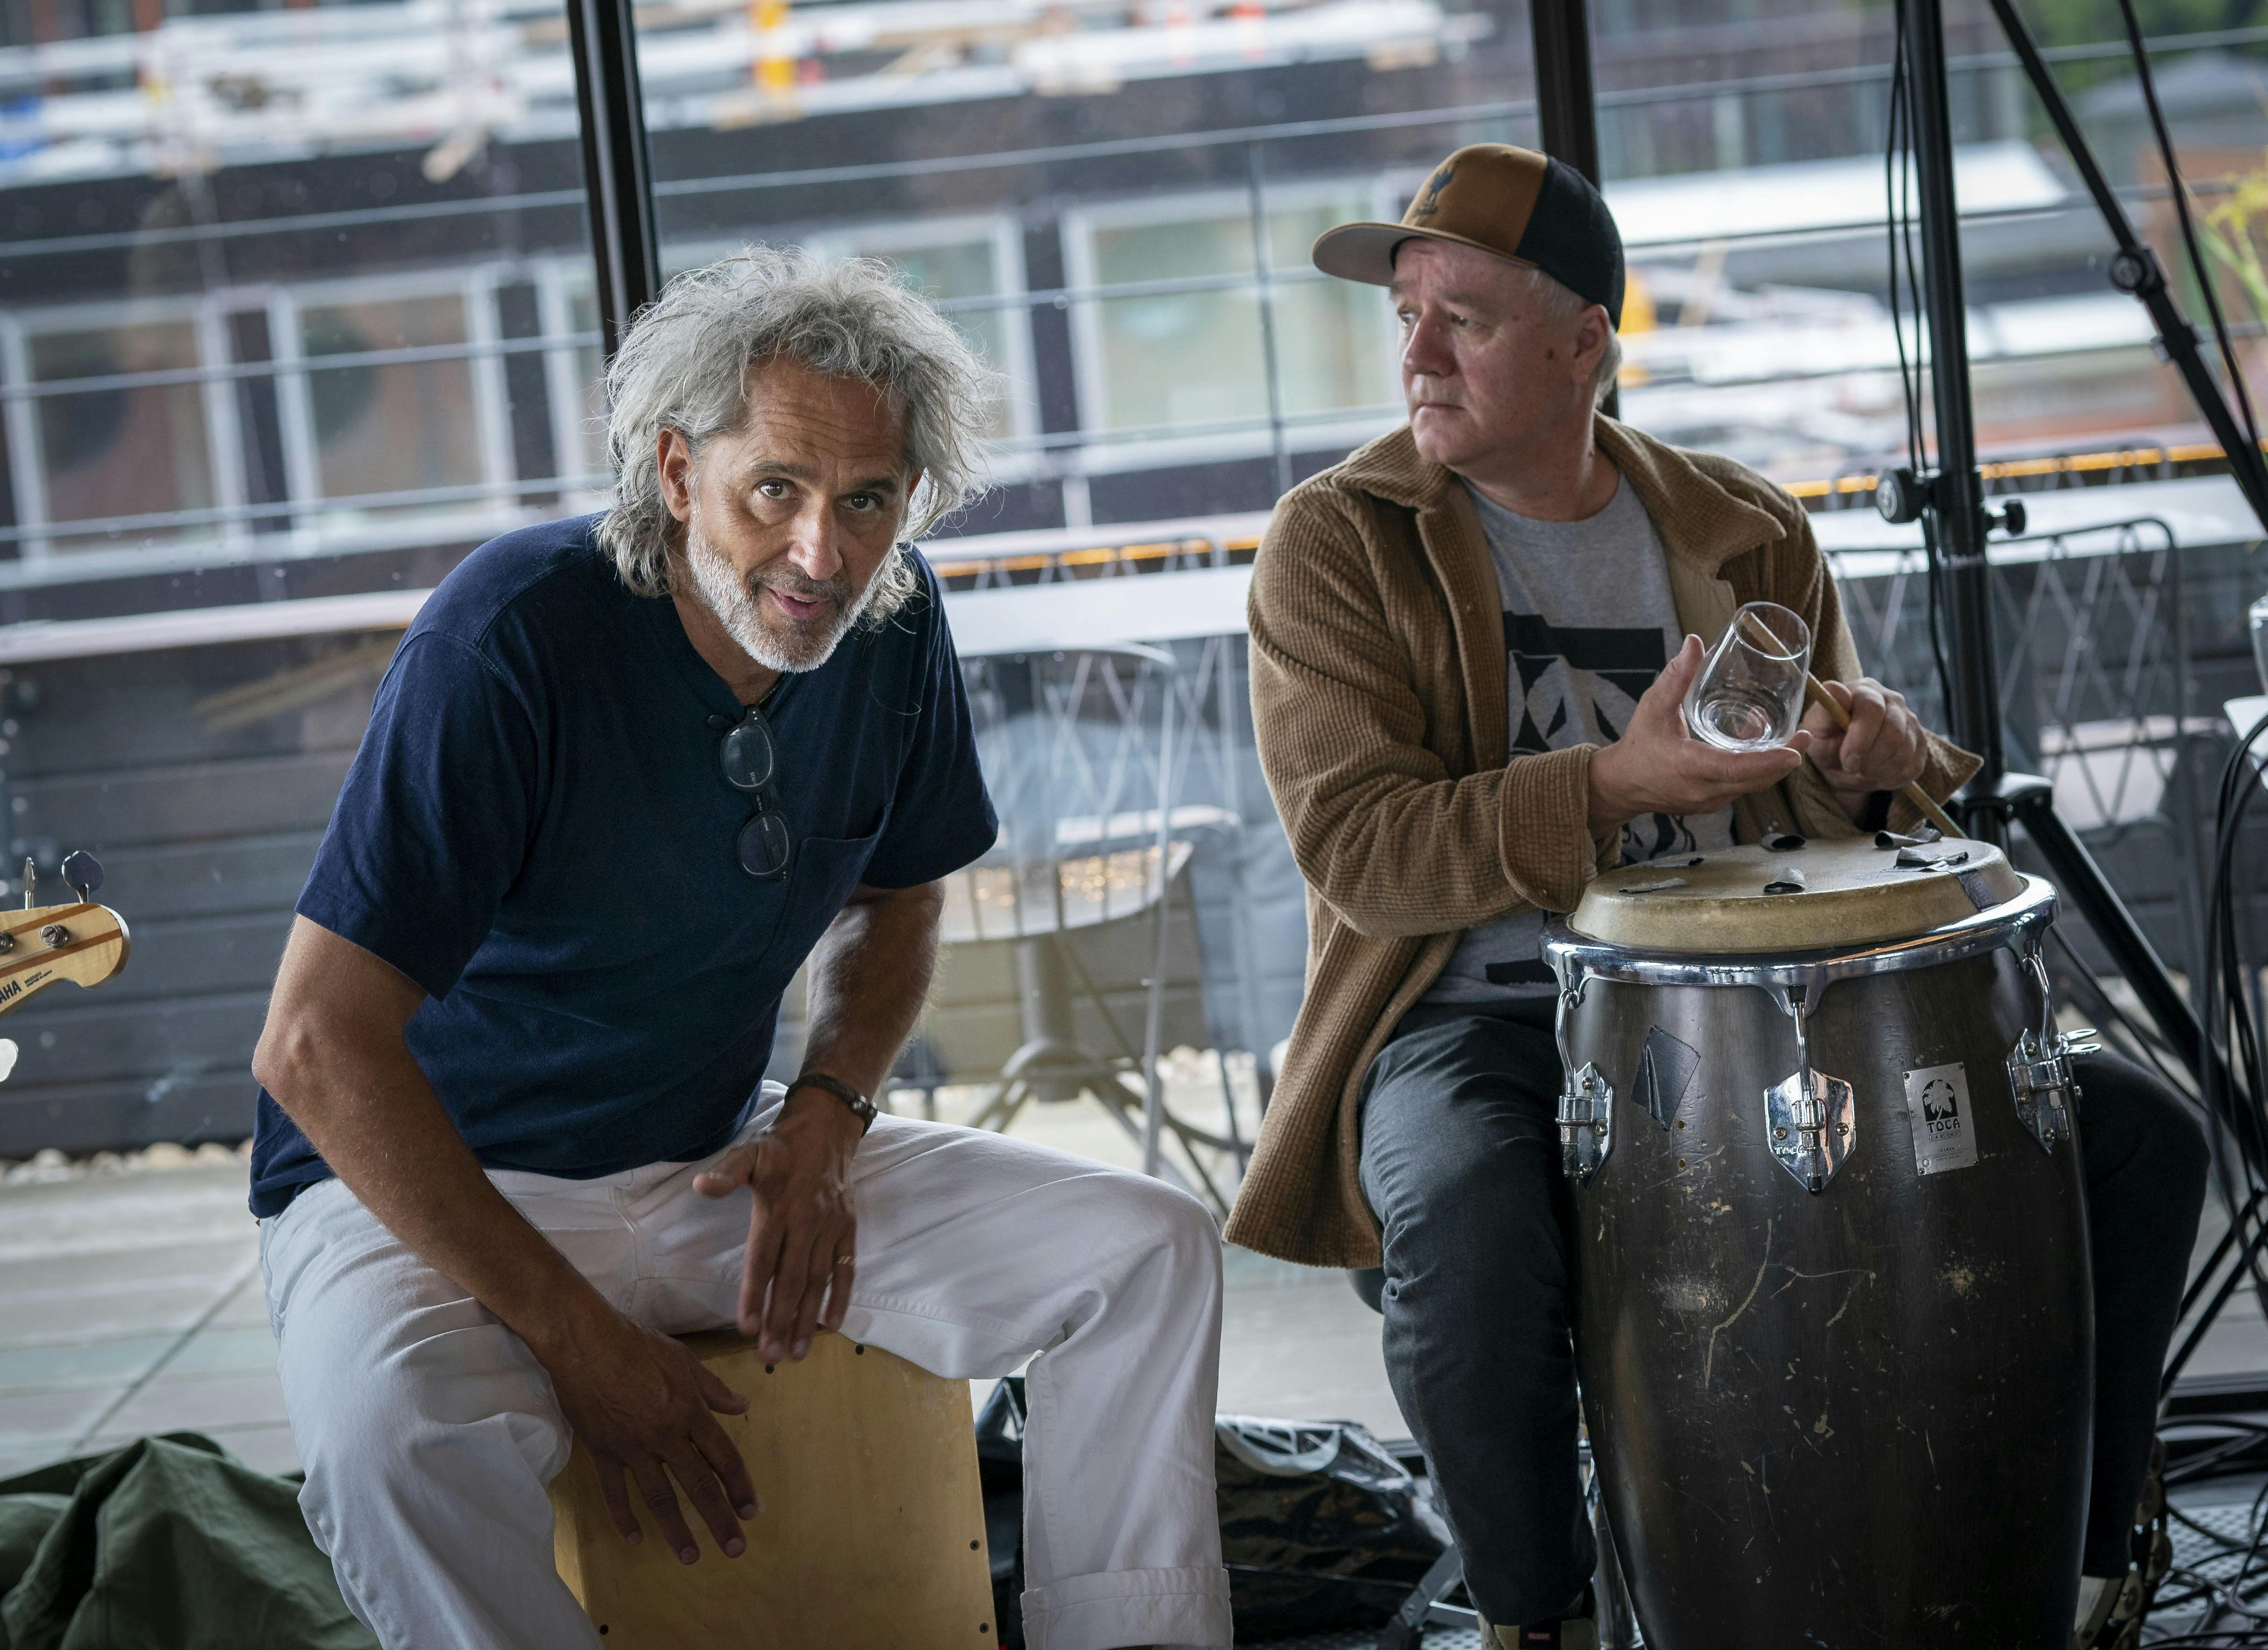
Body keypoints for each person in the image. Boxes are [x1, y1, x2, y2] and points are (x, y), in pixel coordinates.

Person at [1223, 143, 2208, 1650]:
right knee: (1469, 1211)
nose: (1412, 352)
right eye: (1406, 312)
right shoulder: (1340, 542)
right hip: (1477, 1009)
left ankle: (2072, 1569)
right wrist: (1609, 788)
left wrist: (1878, 758)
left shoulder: (1737, 523)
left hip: (1762, 1005)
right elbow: (1360, 850)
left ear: (1580, 346)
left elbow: (1838, 808)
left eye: (1461, 319)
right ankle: (1530, 1617)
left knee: (2141, 1137)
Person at [250, 249, 1233, 1650]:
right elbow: (310, 1046)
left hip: (714, 1156)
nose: (820, 554)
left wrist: (826, 1120)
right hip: (424, 1194)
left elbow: (901, 896)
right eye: (774, 487)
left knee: (1146, 1248)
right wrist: (582, 1345)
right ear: (672, 471)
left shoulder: (890, 625)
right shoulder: (511, 638)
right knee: (395, 1445)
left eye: (868, 501)